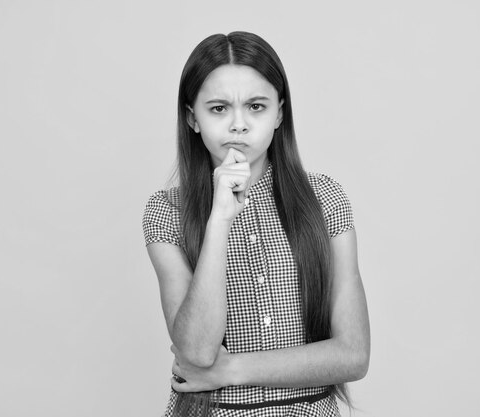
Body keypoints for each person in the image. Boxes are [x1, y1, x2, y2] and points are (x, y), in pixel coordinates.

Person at [142, 31, 370, 416]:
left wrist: (233, 370)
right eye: (218, 109)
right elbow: (196, 351)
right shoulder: (166, 211)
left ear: (280, 112)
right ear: (191, 118)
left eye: (256, 106)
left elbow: (353, 354)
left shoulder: (325, 200)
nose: (239, 125)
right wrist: (219, 219)